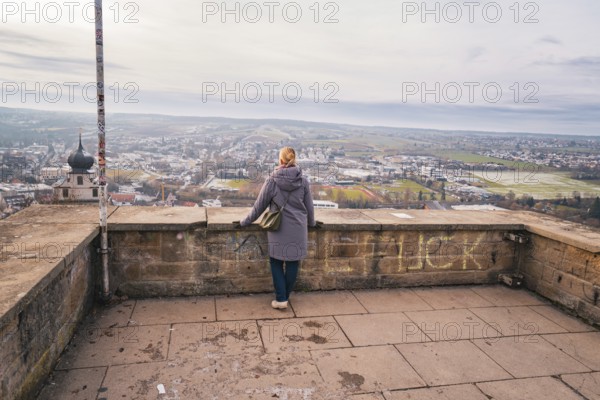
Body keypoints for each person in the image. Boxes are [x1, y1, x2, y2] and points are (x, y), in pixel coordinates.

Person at [234, 147, 320, 309]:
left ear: (280, 161)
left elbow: (258, 207)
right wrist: (312, 224)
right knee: (293, 263)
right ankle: (284, 297)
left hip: (278, 228)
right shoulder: (303, 181)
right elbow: (309, 208)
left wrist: (244, 222)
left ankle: (281, 298)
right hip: (298, 228)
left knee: (276, 262)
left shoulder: (272, 181)